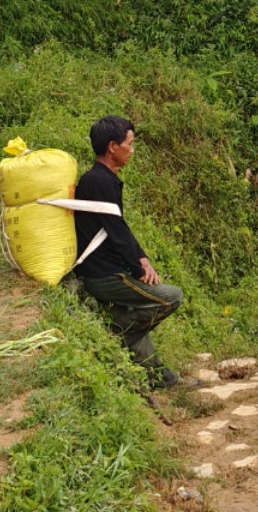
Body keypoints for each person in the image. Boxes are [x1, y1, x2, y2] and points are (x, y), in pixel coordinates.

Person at [70, 114, 188, 390]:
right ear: (113, 147)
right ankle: (118, 328)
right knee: (170, 298)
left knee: (139, 324)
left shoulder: (102, 179)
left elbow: (119, 226)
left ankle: (163, 379)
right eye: (130, 144)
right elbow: (116, 233)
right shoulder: (100, 182)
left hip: (106, 270)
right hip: (105, 275)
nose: (132, 150)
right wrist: (139, 270)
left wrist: (143, 258)